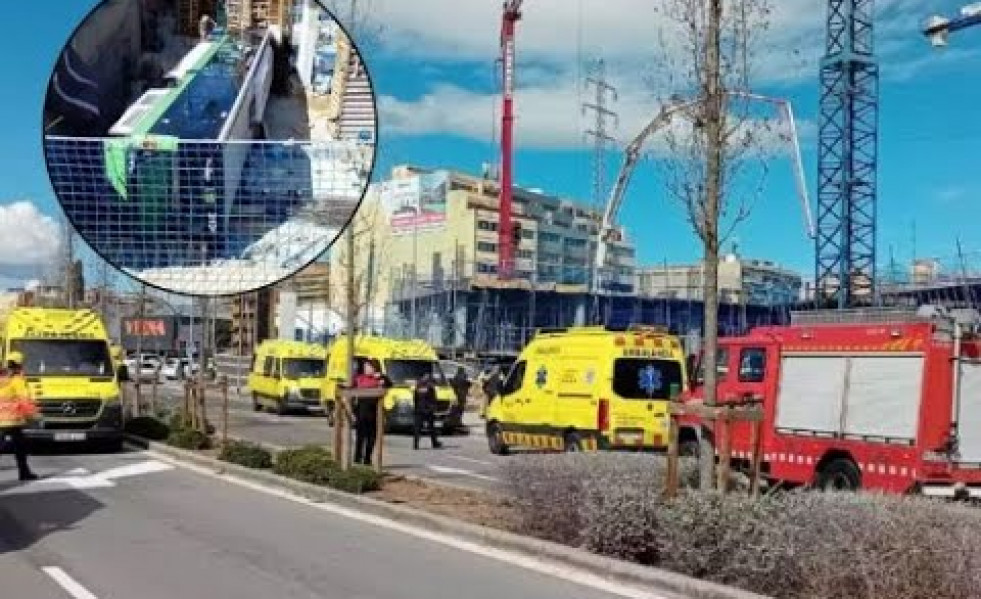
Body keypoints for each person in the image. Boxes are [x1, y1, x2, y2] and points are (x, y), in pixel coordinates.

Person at [0, 352, 38, 482]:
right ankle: (24, 473)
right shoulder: (18, 380)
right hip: (13, 420)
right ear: (19, 364)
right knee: (20, 448)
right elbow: (25, 400)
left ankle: (25, 472)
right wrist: (33, 415)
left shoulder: (1, 379)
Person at [352, 360, 388, 466]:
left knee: (372, 438)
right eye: (365, 367)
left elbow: (389, 383)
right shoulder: (359, 378)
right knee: (360, 437)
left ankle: (368, 458)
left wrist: (381, 377)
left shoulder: (378, 379)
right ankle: (357, 458)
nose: (366, 369)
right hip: (361, 412)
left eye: (368, 367)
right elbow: (350, 388)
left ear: (374, 368)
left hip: (374, 412)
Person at [412, 374, 442, 450]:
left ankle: (415, 444)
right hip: (428, 410)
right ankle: (434, 443)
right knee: (431, 427)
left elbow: (415, 399)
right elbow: (434, 399)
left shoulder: (417, 387)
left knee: (417, 428)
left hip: (419, 409)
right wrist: (433, 408)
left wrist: (416, 408)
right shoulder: (430, 388)